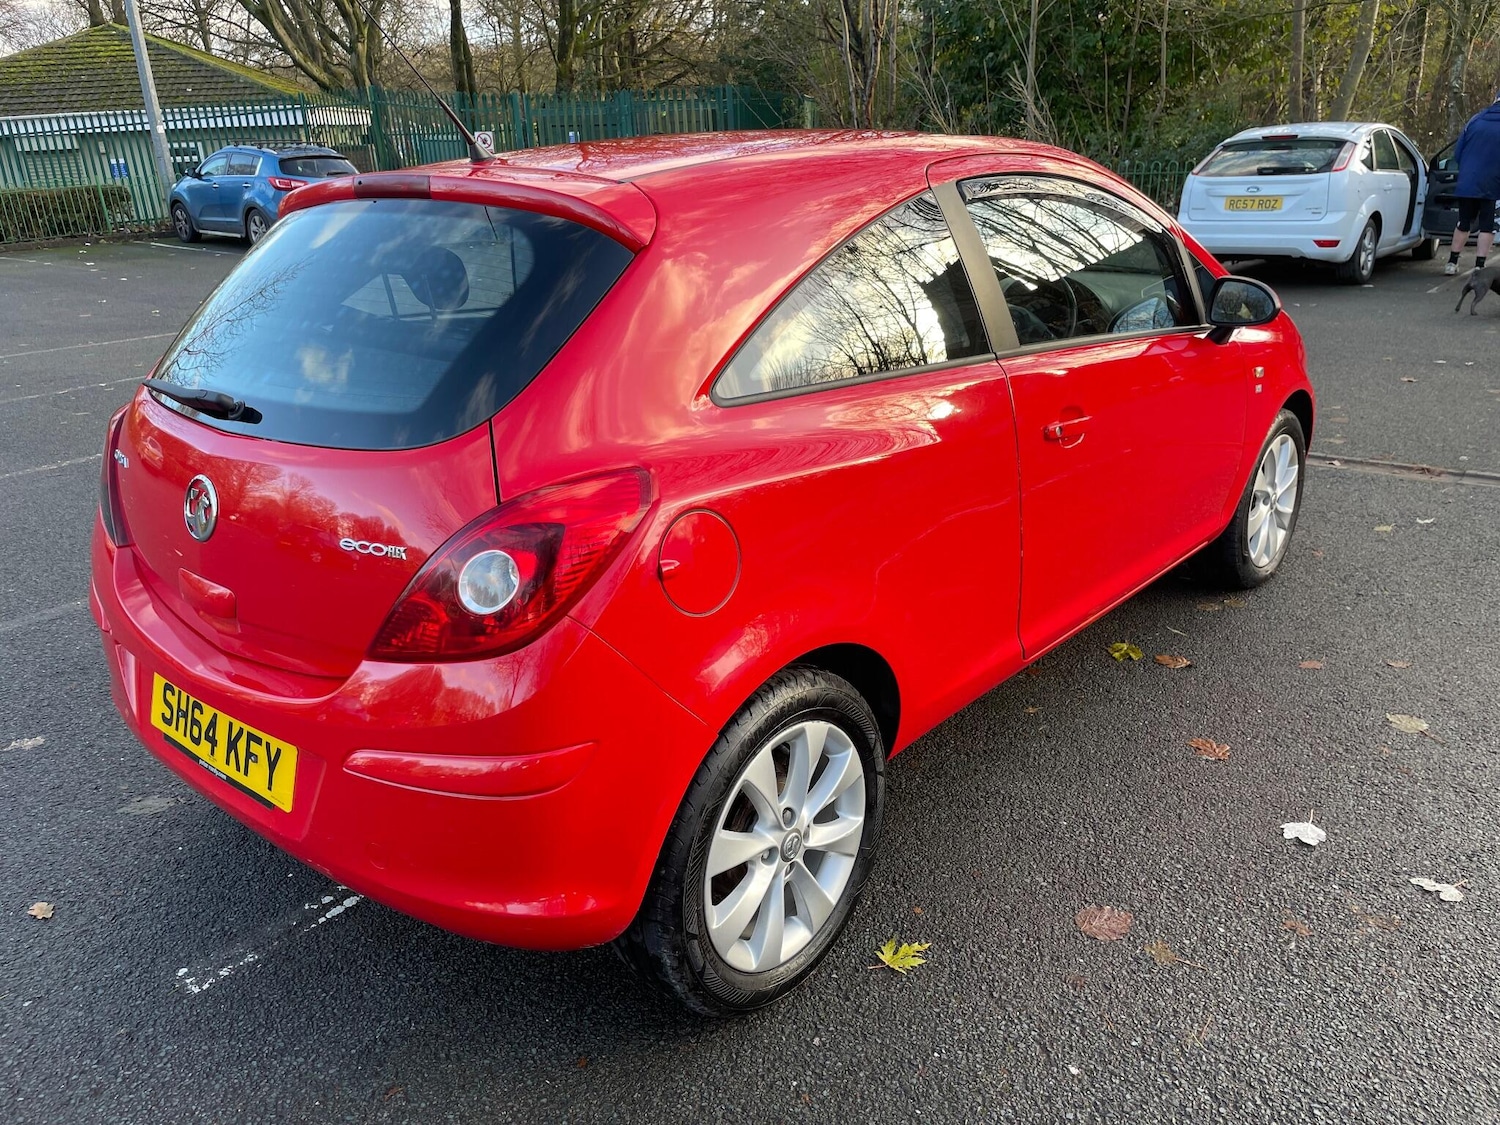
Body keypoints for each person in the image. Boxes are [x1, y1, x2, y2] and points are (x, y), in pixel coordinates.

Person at [1445, 91, 1500, 275]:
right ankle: (1479, 266)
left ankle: (1452, 262)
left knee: (1463, 222)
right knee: (1487, 226)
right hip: (1493, 184)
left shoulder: (1475, 120)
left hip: (1467, 181)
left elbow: (1457, 153)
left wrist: (1467, 171)